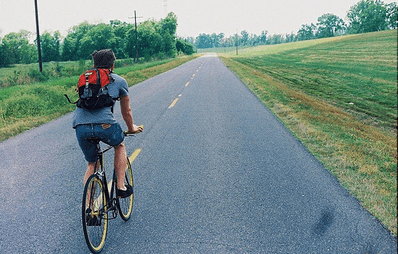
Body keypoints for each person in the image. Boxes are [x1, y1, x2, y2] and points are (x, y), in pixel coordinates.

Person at [73, 49, 143, 198]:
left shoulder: (86, 80)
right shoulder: (119, 81)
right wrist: (131, 128)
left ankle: (88, 207)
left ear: (94, 64)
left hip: (80, 127)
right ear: (112, 65)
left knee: (92, 163)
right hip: (106, 126)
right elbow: (127, 111)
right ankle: (120, 187)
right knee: (120, 145)